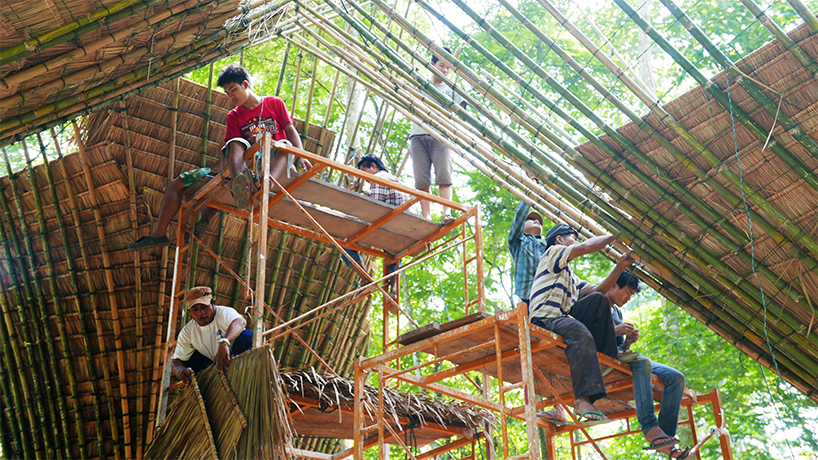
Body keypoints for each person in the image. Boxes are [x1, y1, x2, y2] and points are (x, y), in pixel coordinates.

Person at [129, 64, 310, 251]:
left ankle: (265, 185)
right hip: (250, 164)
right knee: (233, 145)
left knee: (284, 145)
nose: (231, 96)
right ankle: (239, 184)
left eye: (233, 89)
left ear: (245, 84)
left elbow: (290, 129)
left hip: (277, 160)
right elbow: (231, 146)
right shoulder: (234, 116)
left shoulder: (274, 103)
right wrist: (248, 145)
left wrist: (302, 155)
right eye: (227, 93)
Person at [528, 223, 635, 425]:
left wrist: (620, 266)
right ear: (559, 239)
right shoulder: (553, 252)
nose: (577, 242)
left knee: (599, 300)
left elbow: (597, 293)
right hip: (546, 318)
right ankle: (583, 401)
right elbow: (586, 247)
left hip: (562, 319)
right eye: (574, 238)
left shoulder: (570, 276)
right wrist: (615, 233)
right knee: (579, 331)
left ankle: (610, 352)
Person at [606, 272, 690, 459]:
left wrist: (628, 342)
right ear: (613, 285)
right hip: (603, 357)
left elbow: (620, 348)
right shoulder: (596, 301)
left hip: (621, 355)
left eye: (631, 295)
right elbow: (592, 336)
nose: (628, 299)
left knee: (676, 378)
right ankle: (650, 427)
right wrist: (614, 330)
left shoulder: (617, 312)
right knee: (642, 363)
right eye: (627, 293)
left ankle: (665, 438)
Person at [408, 46, 467, 223]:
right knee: (421, 179)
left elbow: (463, 111)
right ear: (432, 65)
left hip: (441, 136)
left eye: (448, 67)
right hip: (418, 135)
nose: (445, 70)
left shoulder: (452, 89)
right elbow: (406, 89)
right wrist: (411, 71)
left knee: (444, 175)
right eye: (442, 65)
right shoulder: (420, 82)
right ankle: (426, 216)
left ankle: (446, 212)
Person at [342, 154, 408, 298]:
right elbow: (384, 199)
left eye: (364, 171)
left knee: (346, 246)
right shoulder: (394, 179)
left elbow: (375, 208)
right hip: (400, 228)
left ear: (373, 166)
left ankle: (366, 280)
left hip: (384, 224)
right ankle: (394, 289)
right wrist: (365, 191)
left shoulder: (378, 179)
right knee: (394, 254)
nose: (364, 176)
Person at [170, 286, 253, 384]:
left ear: (213, 303)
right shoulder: (187, 332)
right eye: (195, 309)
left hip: (239, 357)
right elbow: (175, 361)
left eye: (204, 307)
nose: (200, 312)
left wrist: (225, 342)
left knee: (247, 335)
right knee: (190, 360)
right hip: (213, 367)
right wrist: (180, 370)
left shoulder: (224, 312)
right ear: (190, 312)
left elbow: (240, 322)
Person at [507, 200, 547, 306]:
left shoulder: (546, 245)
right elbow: (519, 216)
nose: (536, 221)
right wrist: (529, 196)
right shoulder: (517, 241)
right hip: (527, 296)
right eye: (530, 219)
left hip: (547, 294)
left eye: (539, 221)